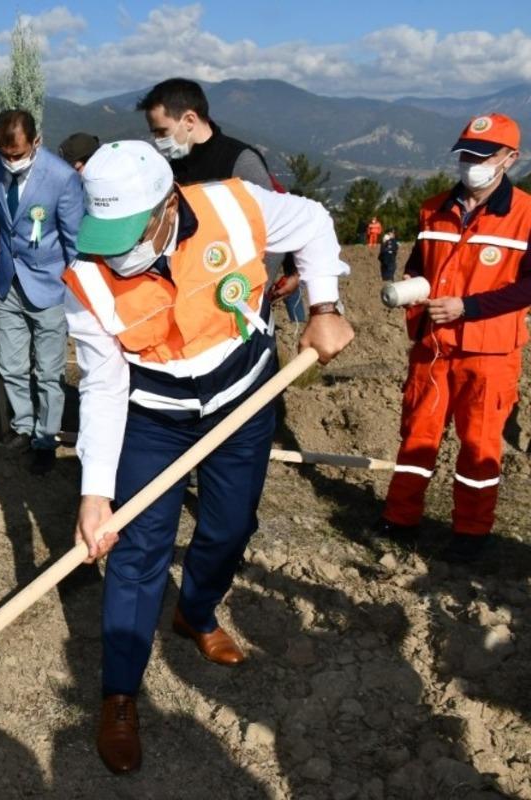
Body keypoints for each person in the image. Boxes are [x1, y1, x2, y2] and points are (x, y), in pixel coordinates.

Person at [67, 141, 353, 773]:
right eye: (104, 236)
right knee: (136, 551)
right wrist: (95, 493)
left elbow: (312, 221)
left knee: (229, 527)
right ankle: (120, 693)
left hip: (245, 401)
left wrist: (325, 307)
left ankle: (195, 612)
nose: (114, 253)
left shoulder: (233, 207)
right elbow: (103, 388)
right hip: (153, 420)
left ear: (168, 207)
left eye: (127, 234)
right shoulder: (87, 279)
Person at [379, 114, 531, 563]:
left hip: (489, 352)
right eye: (466, 154)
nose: (471, 163)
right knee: (416, 436)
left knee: (479, 445)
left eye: (483, 156)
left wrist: (469, 307)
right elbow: (419, 263)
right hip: (433, 346)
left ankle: (470, 533)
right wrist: (411, 287)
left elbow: (527, 286)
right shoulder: (433, 209)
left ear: (509, 159)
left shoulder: (525, 215)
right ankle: (399, 520)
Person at [0, 109, 84, 474]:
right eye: (5, 154)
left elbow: (74, 241)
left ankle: (46, 438)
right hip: (8, 282)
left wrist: (79, 291)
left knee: (48, 371)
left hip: (50, 285)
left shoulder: (62, 178)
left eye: (18, 154)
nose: (11, 161)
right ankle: (22, 426)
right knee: (10, 364)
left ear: (37, 141)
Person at [138, 78, 303, 322]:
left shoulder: (239, 162)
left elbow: (271, 229)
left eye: (162, 132)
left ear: (189, 120)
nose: (158, 140)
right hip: (195, 302)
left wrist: (253, 293)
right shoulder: (173, 169)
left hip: (240, 301)